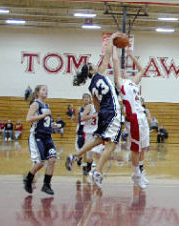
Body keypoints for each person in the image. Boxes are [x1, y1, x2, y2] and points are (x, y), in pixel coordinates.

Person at [65, 32, 122, 188]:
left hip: (104, 112)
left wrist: (101, 112)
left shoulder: (91, 87)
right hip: (113, 112)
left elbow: (96, 106)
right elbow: (108, 54)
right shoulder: (101, 73)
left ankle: (75, 156)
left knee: (99, 140)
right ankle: (97, 171)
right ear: (91, 71)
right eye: (92, 65)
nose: (95, 64)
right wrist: (112, 38)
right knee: (113, 143)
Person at [112, 46, 149, 189]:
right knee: (136, 149)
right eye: (120, 71)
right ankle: (136, 175)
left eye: (124, 70)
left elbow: (142, 70)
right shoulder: (120, 83)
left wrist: (131, 55)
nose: (122, 70)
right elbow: (115, 61)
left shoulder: (133, 82)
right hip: (133, 119)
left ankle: (140, 172)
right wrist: (114, 47)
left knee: (144, 147)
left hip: (142, 116)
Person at [23, 85, 57, 195]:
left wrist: (52, 125)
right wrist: (43, 115)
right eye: (43, 89)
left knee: (52, 160)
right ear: (37, 93)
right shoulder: (35, 104)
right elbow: (28, 119)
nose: (46, 91)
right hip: (37, 136)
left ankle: (46, 185)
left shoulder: (47, 105)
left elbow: (44, 121)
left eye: (47, 90)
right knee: (41, 163)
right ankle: (28, 179)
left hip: (48, 136)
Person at [75, 93, 104, 175]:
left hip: (97, 133)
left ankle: (97, 172)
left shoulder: (101, 107)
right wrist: (93, 116)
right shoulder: (89, 107)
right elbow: (82, 118)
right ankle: (86, 165)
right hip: (88, 133)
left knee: (99, 153)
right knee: (89, 155)